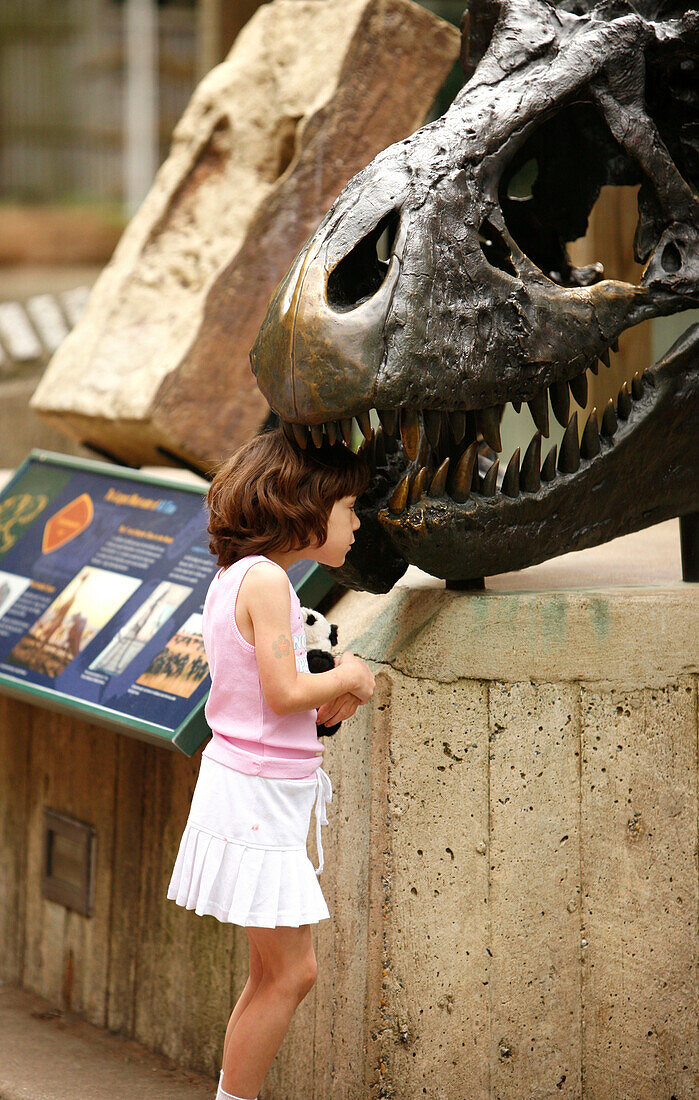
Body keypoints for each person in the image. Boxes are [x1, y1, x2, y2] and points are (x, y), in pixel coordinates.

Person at [166, 425, 375, 1100]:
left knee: (271, 972)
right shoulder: (267, 583)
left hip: (253, 789)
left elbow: (265, 701)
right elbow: (285, 691)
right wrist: (351, 674)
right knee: (291, 973)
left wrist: (325, 698)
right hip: (255, 798)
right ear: (306, 507)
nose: (357, 522)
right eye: (349, 508)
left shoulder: (240, 576)